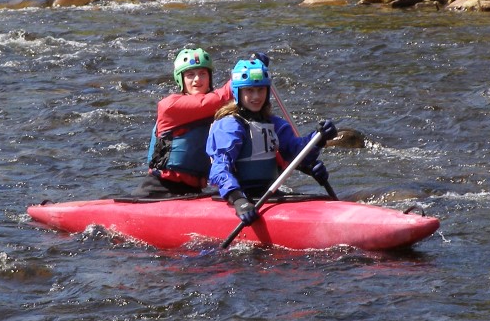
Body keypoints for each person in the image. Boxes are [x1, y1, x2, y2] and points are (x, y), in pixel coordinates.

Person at [206, 56, 338, 225]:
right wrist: (238, 200)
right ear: (238, 92)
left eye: (261, 90)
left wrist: (318, 138)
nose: (256, 96)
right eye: (249, 90)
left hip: (269, 193)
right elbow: (219, 169)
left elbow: (297, 152)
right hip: (241, 196)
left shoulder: (274, 123)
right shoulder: (230, 125)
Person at [134, 47, 235, 198]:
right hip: (161, 189)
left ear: (209, 78)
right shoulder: (170, 106)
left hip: (192, 191)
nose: (197, 79)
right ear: (180, 80)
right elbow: (214, 100)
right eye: (190, 75)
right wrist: (242, 78)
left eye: (203, 73)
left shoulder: (218, 111)